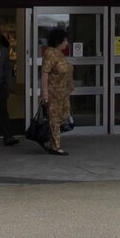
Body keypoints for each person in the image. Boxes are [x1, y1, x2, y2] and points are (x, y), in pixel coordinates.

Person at [38, 28, 73, 156]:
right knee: (54, 118)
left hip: (63, 92)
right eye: (65, 40)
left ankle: (51, 140)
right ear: (59, 41)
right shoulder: (50, 54)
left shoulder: (60, 54)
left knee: (63, 117)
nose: (67, 43)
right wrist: (45, 93)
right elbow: (45, 73)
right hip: (54, 92)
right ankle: (55, 146)